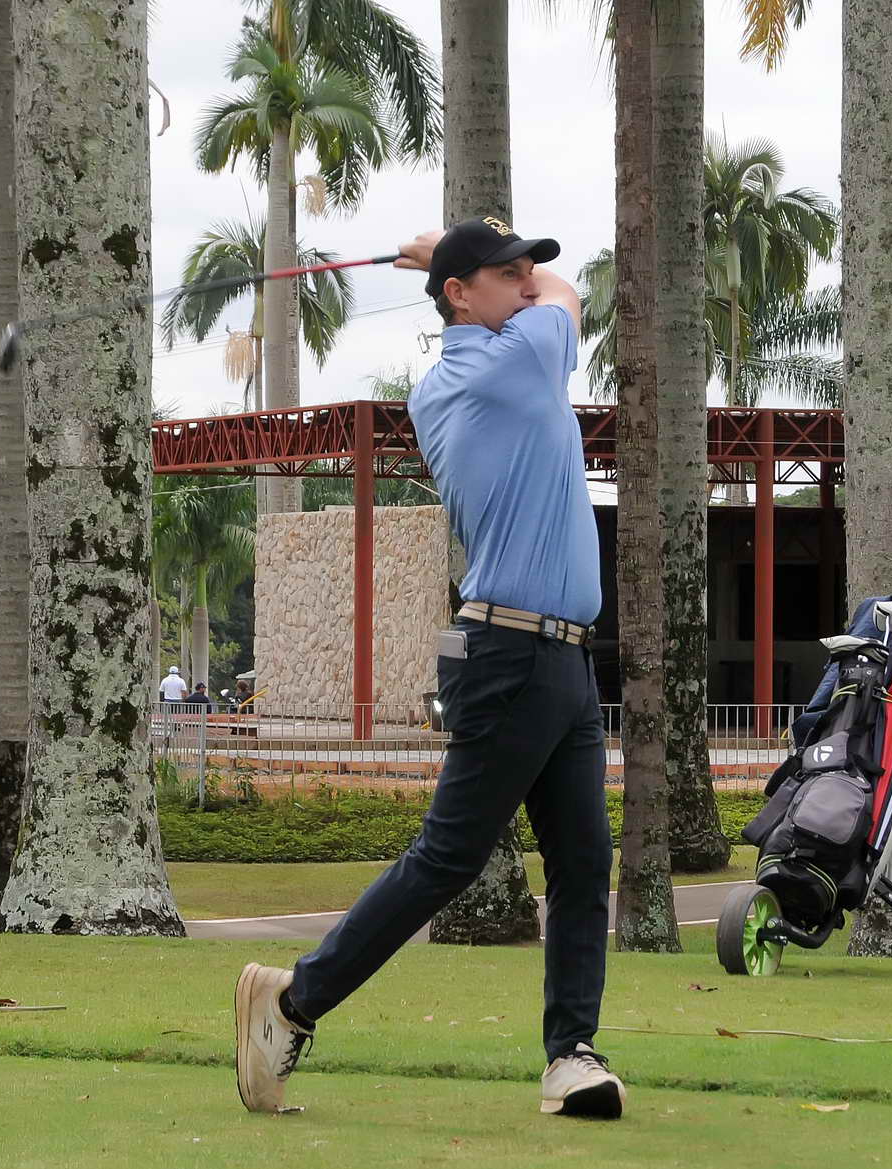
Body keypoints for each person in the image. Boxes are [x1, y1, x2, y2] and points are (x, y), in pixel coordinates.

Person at [233, 218, 623, 1118]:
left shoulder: (450, 378)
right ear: (459, 294)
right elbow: (570, 295)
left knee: (582, 860)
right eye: (508, 273)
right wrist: (450, 250)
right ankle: (292, 1004)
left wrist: (456, 257)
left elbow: (526, 291)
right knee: (450, 857)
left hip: (561, 659)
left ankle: (571, 1055)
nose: (527, 283)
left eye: (525, 271)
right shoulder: (509, 363)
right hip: (512, 652)